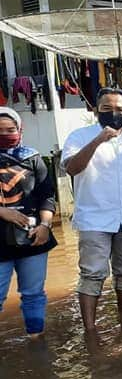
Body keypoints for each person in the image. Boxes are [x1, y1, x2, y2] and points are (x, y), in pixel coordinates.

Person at [61, 87, 122, 332]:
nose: (113, 114)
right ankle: (90, 331)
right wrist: (98, 140)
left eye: (119, 110)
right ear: (95, 111)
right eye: (107, 109)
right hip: (94, 220)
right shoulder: (78, 136)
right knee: (92, 274)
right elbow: (72, 168)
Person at [0, 107, 56, 338]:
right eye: (0, 131)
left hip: (32, 238)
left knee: (33, 294)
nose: (6, 134)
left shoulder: (32, 159)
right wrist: (3, 212)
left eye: (10, 129)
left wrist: (45, 226)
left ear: (20, 130)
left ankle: (36, 339)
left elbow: (47, 197)